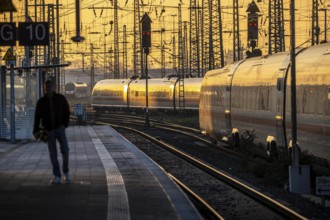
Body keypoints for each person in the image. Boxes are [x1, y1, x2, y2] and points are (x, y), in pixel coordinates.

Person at [33, 80, 71, 185]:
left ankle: (66, 171)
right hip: (49, 131)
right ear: (45, 88)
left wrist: (65, 124)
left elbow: (67, 112)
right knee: (53, 154)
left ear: (54, 87)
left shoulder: (61, 98)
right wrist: (35, 130)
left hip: (60, 128)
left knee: (65, 150)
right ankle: (57, 175)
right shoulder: (41, 102)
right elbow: (37, 117)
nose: (49, 88)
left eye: (50, 86)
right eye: (47, 87)